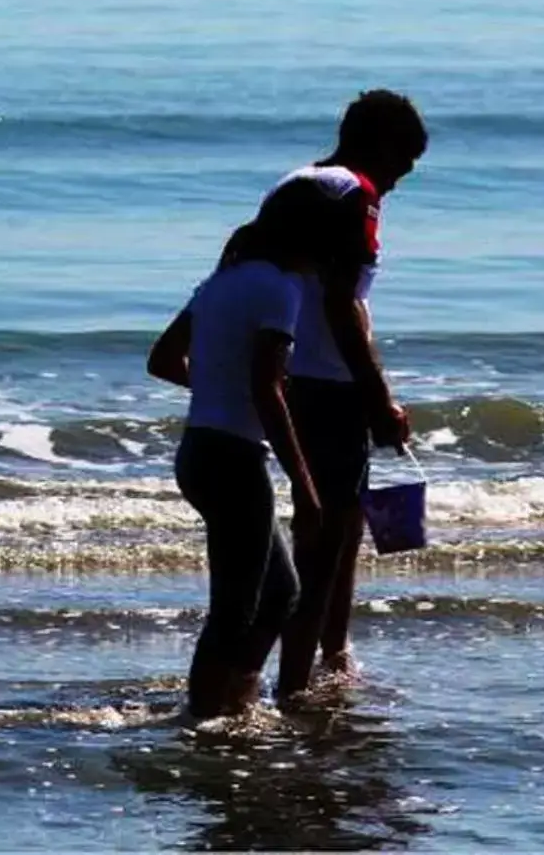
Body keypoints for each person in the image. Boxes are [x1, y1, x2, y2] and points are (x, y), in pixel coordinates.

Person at [146, 181, 336, 719]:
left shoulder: (220, 282)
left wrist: (215, 388)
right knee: (235, 608)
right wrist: (304, 482)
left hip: (199, 451)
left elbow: (162, 359)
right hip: (232, 459)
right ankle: (203, 720)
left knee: (279, 593)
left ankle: (236, 700)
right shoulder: (281, 290)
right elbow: (267, 388)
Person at [263, 89, 428, 696]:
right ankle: (297, 685)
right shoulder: (354, 194)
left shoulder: (298, 182)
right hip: (328, 382)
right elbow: (342, 304)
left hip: (286, 371)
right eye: (405, 158)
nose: (404, 175)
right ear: (379, 142)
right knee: (328, 537)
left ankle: (332, 655)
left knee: (342, 524)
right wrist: (377, 395)